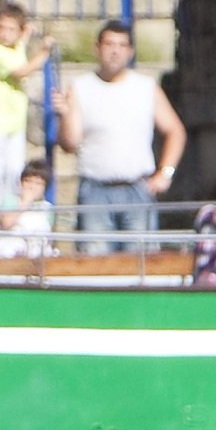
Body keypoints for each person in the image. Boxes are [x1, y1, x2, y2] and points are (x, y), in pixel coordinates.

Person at [53, 20, 185, 255]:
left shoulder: (145, 87)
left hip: (137, 189)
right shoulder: (81, 87)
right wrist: (64, 115)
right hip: (95, 191)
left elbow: (175, 131)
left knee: (141, 262)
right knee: (95, 263)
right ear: (97, 48)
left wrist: (165, 173)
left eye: (122, 45)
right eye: (109, 44)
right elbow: (70, 144)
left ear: (130, 51)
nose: (115, 51)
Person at [0, 2, 50, 230]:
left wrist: (25, 37)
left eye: (11, 29)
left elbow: (19, 52)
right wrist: (44, 53)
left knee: (14, 170)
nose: (5, 34)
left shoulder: (16, 48)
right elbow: (21, 70)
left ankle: (9, 210)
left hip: (15, 122)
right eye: (2, 28)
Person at [0, 162, 55, 258]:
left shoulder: (47, 207)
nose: (32, 186)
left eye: (38, 183)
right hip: (12, 248)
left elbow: (48, 235)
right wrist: (25, 203)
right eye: (28, 181)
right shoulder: (11, 201)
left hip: (37, 250)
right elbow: (6, 224)